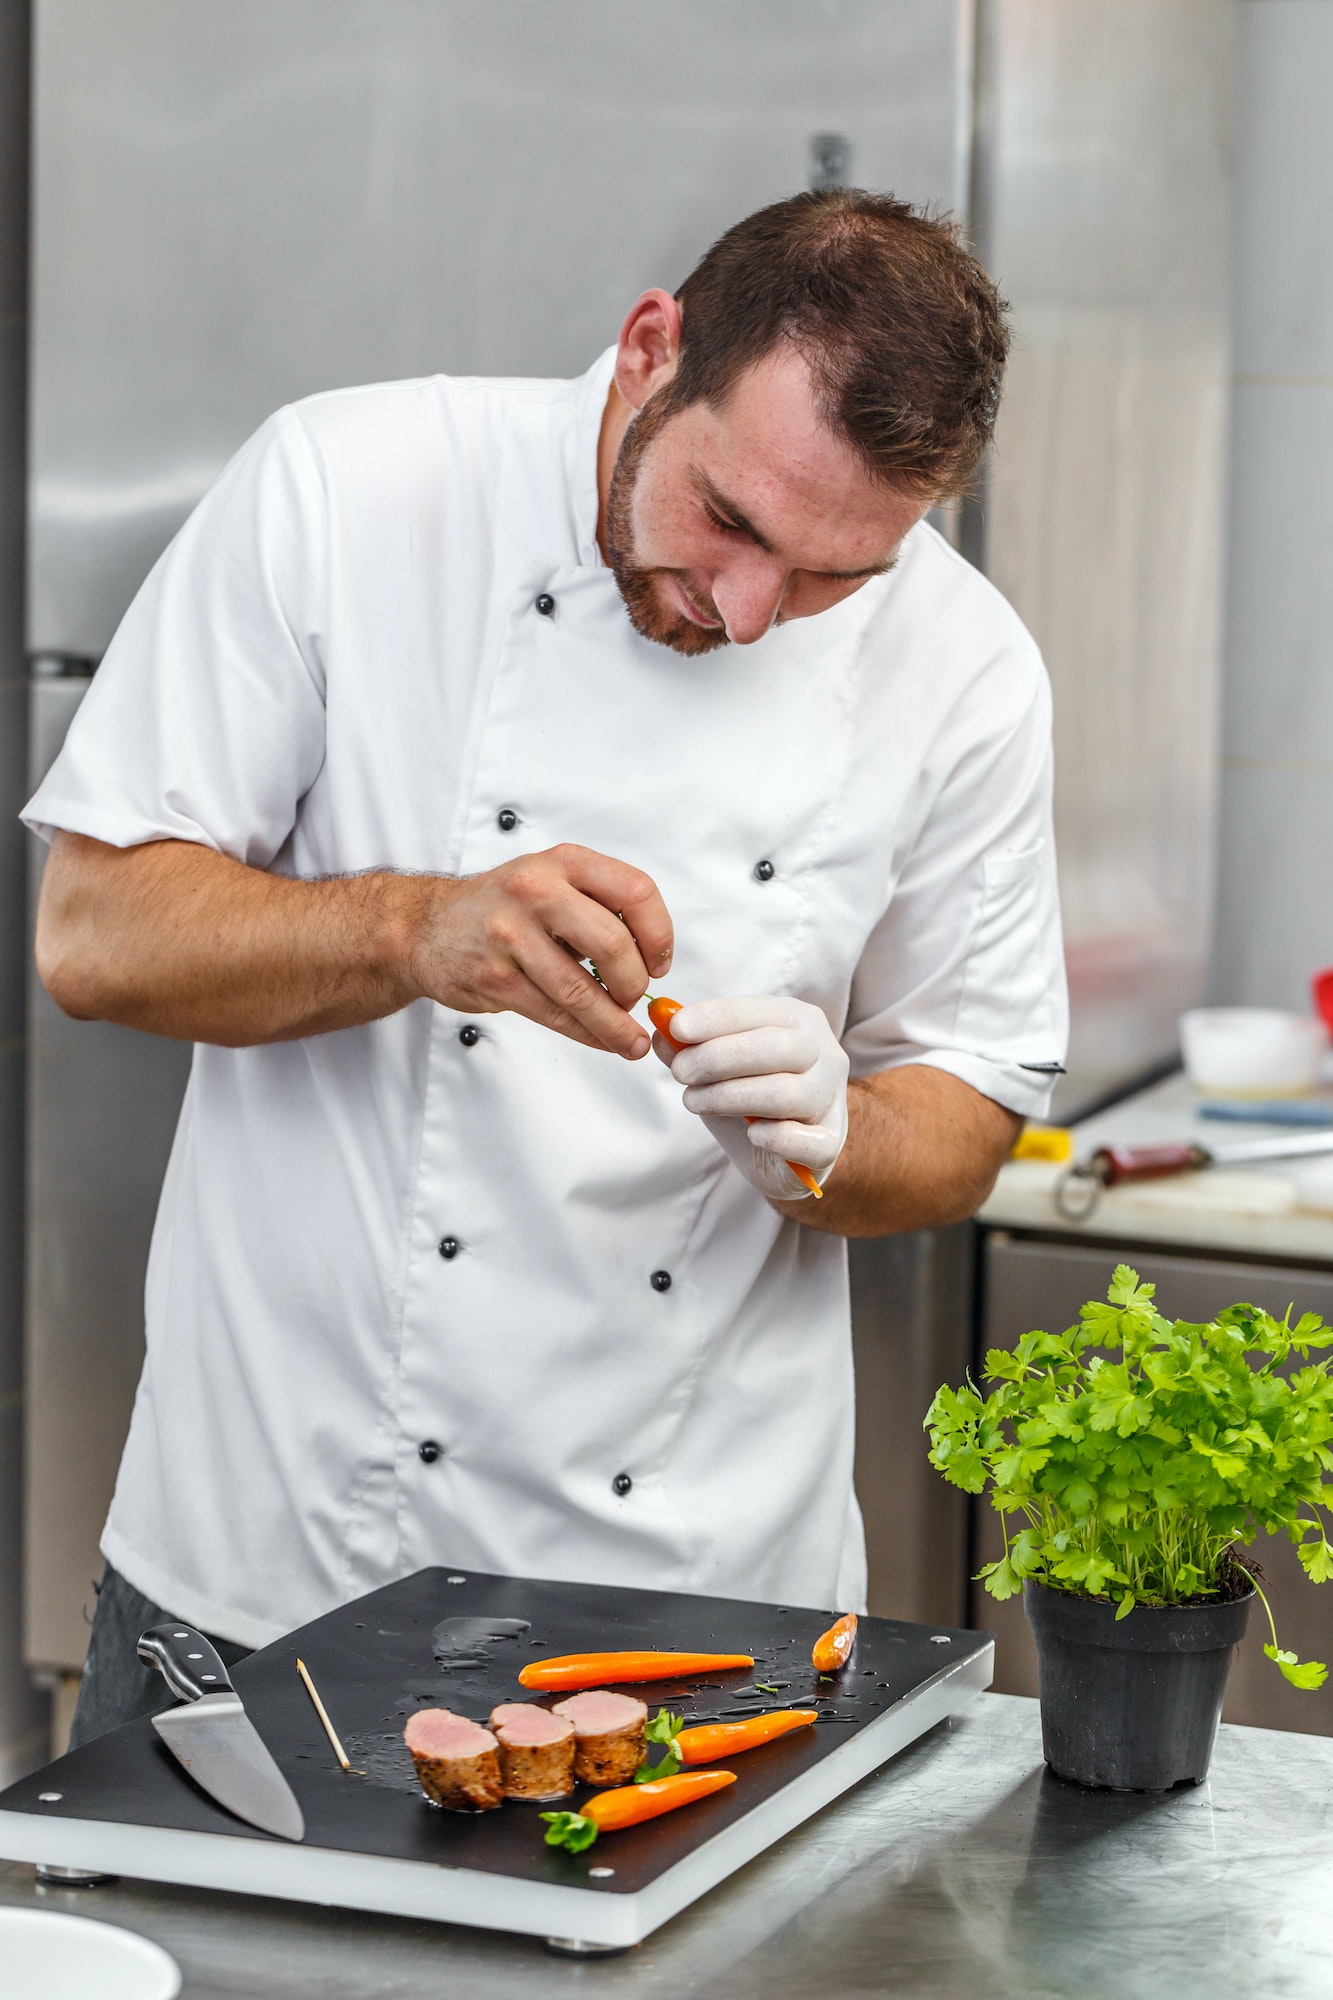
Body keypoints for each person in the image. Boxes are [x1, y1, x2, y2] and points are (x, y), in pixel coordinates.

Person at [27, 189, 1066, 1744]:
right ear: (652, 349)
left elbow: (967, 1114)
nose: (745, 610)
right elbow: (92, 939)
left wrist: (840, 1139)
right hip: (276, 1568)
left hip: (714, 1612)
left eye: (834, 579)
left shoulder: (968, 665)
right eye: (729, 521)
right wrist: (408, 928)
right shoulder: (352, 487)